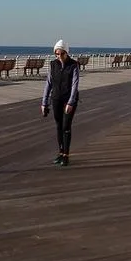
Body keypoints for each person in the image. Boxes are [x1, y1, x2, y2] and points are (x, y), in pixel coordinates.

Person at [41, 39, 80, 167]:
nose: (59, 56)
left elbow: (75, 85)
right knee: (58, 126)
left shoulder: (73, 65)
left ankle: (66, 155)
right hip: (56, 98)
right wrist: (44, 102)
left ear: (66, 53)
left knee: (66, 126)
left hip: (69, 100)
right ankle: (60, 153)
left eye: (61, 54)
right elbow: (48, 83)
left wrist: (71, 102)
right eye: (56, 54)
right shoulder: (53, 65)